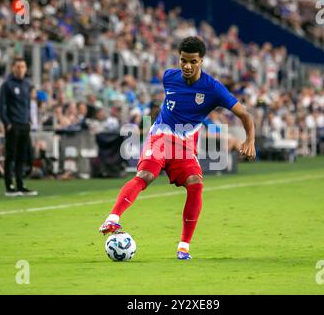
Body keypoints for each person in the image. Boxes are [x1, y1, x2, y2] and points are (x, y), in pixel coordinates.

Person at [98, 37, 256, 260]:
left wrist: (250, 140)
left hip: (184, 145)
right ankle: (112, 219)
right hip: (161, 136)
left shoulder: (213, 89)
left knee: (196, 184)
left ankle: (184, 246)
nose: (187, 66)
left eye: (192, 61)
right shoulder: (169, 77)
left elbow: (245, 115)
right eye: (183, 60)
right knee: (146, 175)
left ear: (202, 60)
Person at [0, 57, 38, 197]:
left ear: (26, 69)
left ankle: (20, 185)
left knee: (22, 156)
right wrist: (6, 123)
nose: (21, 69)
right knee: (10, 156)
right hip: (13, 125)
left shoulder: (27, 84)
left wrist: (30, 120)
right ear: (13, 68)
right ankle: (9, 186)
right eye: (18, 66)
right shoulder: (7, 85)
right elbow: (0, 106)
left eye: (23, 67)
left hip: (25, 124)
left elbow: (27, 106)